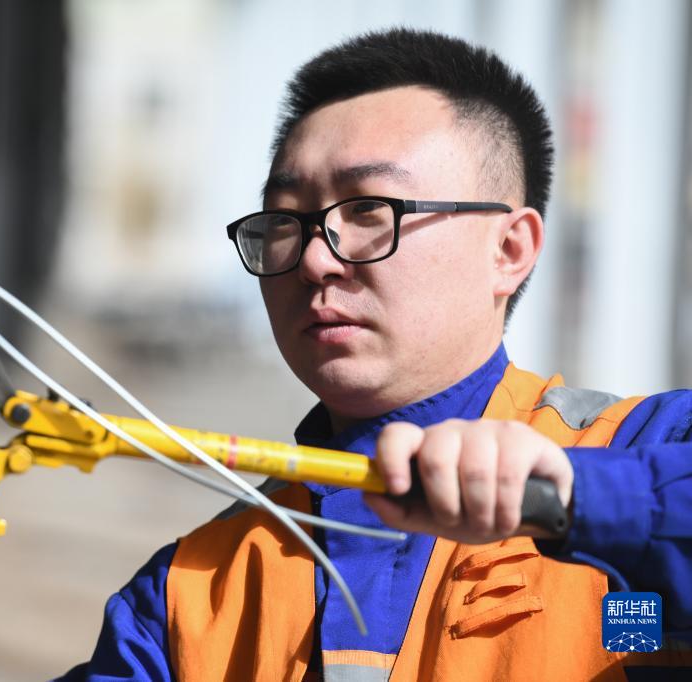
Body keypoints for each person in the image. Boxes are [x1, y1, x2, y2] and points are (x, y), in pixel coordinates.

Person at [58, 28, 692, 681]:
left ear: (508, 250)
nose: (314, 259)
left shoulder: (646, 455)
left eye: (367, 209)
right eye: (285, 219)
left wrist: (571, 499)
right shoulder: (187, 595)